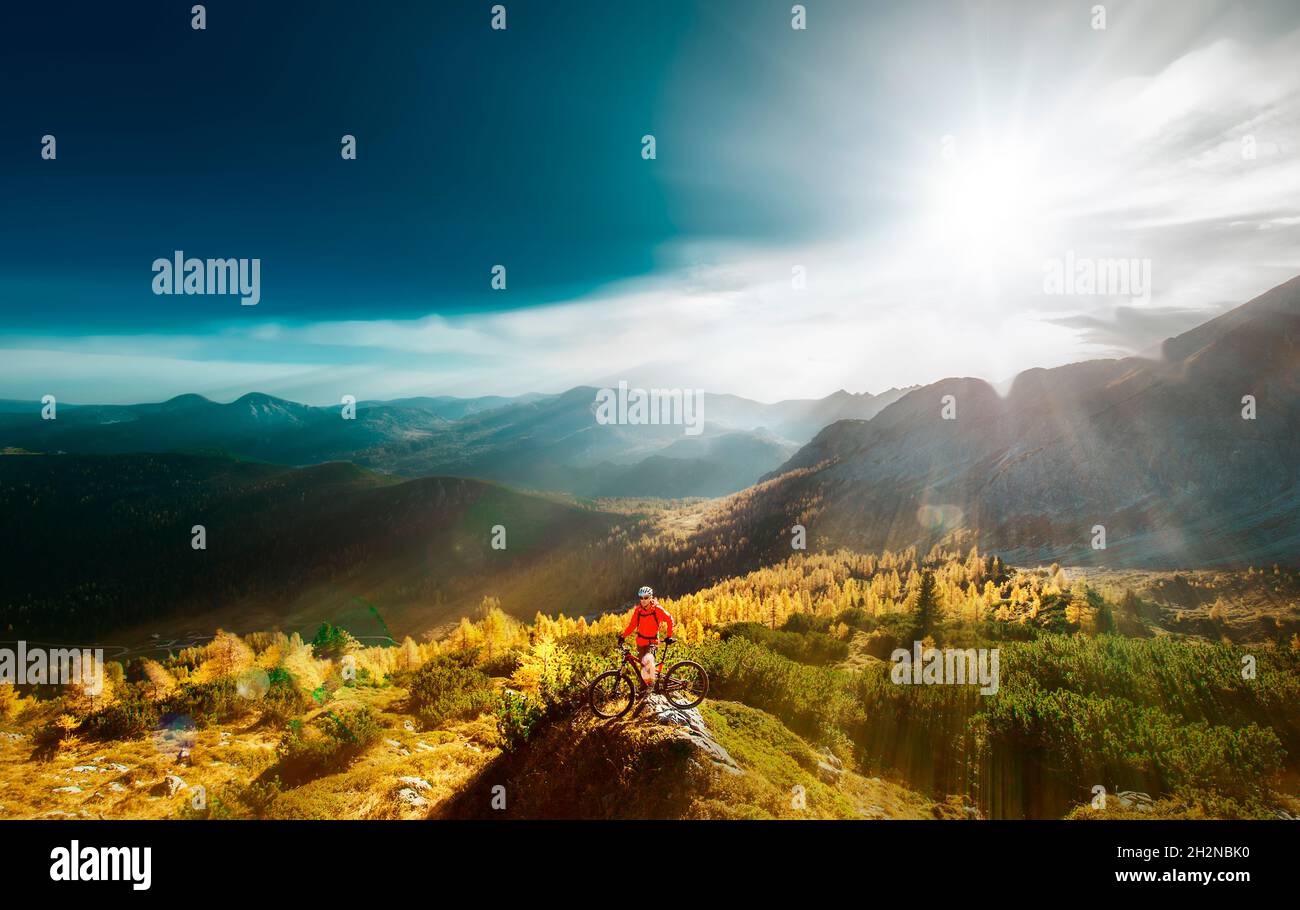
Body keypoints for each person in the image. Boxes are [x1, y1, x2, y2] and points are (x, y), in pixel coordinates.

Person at [619, 585, 675, 695]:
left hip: (652, 642)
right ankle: (643, 688)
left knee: (648, 661)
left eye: (646, 597)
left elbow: (669, 619)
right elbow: (632, 625)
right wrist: (623, 636)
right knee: (642, 666)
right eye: (641, 598)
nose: (643, 600)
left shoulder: (657, 609)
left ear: (650, 598)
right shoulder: (638, 610)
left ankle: (651, 689)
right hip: (640, 642)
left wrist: (669, 636)